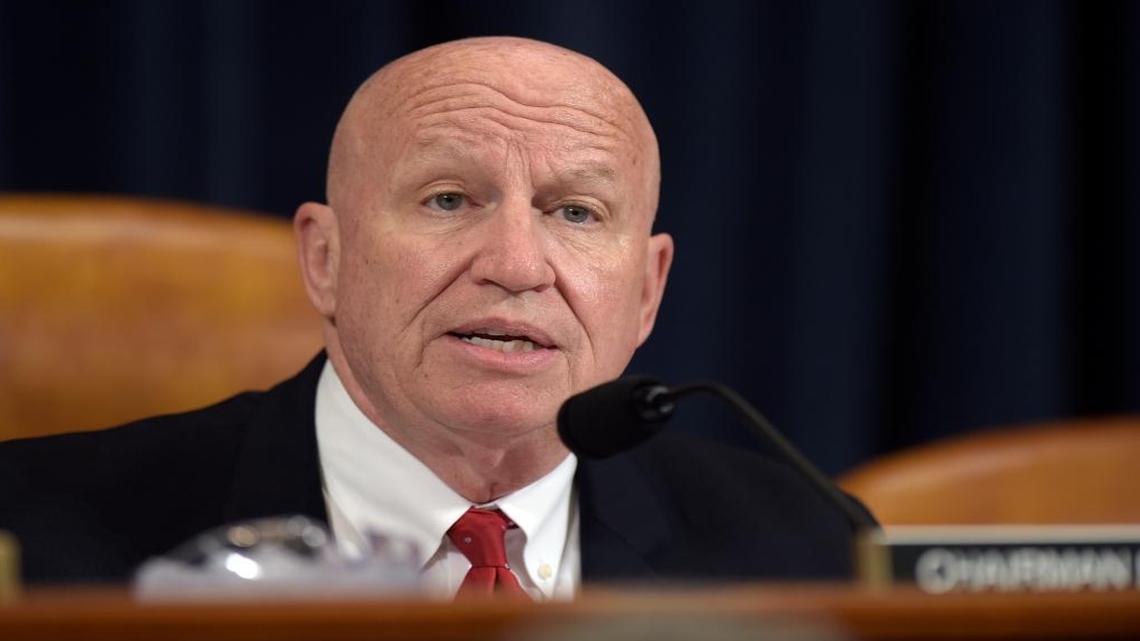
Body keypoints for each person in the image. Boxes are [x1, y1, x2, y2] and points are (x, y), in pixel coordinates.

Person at [0, 37, 866, 597]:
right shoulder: (34, 539)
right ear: (325, 259)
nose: (516, 265)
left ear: (647, 289)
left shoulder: (806, 549)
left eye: (576, 212)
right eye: (448, 199)